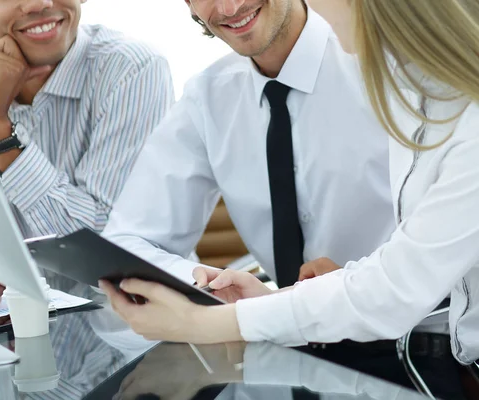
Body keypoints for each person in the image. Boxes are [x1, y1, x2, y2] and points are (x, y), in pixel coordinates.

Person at [100, 0, 479, 367]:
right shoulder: (207, 97)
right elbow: (129, 238)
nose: (230, 8)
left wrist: (213, 321)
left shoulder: (390, 69)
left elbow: (402, 283)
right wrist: (228, 295)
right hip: (296, 336)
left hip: (424, 344)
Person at [0, 0, 174, 312]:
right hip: (4, 337)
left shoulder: (132, 70)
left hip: (134, 330)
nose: (39, 3)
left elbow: (106, 253)